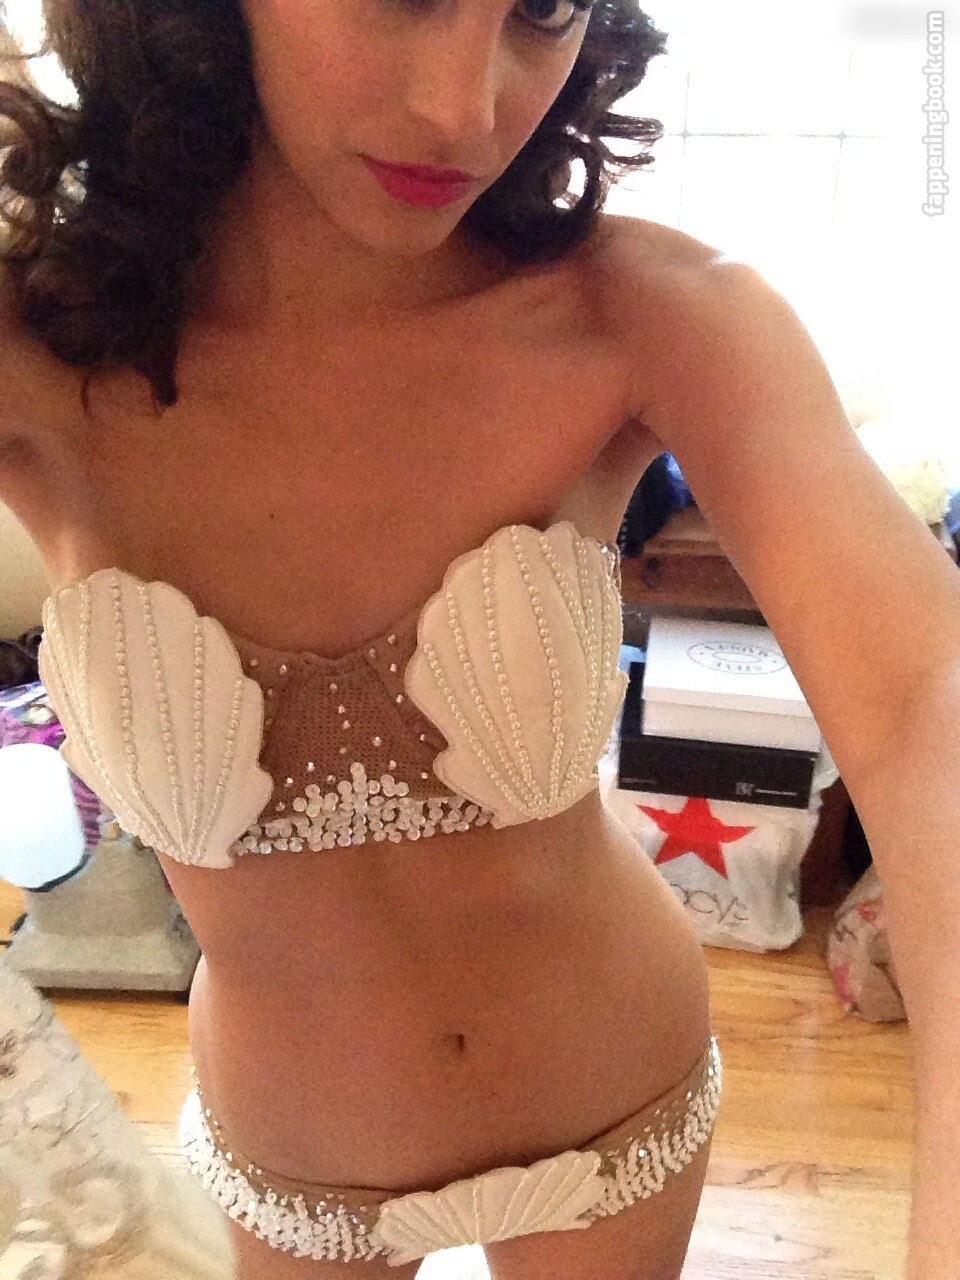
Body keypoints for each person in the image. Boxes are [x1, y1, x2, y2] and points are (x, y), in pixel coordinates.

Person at [0, 4, 958, 1279]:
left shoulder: (654, 317)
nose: (465, 107)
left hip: (615, 1101)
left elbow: (927, 703)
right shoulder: (40, 354)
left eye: (542, 6)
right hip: (295, 1157)